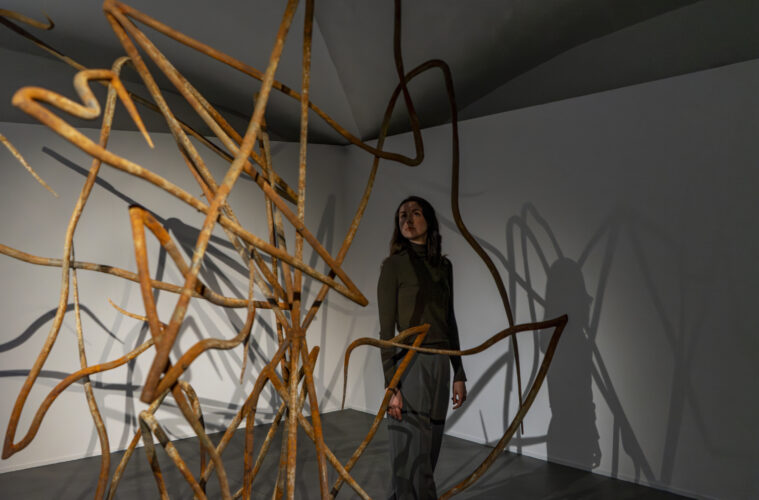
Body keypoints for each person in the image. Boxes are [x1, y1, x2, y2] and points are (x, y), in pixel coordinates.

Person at [377, 195, 467, 499]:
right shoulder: (393, 266)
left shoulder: (444, 266)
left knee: (429, 447)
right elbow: (386, 333)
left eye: (415, 213)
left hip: (441, 362)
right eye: (402, 215)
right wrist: (392, 385)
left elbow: (449, 320)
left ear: (428, 220)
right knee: (410, 450)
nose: (407, 219)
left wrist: (459, 372)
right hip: (410, 362)